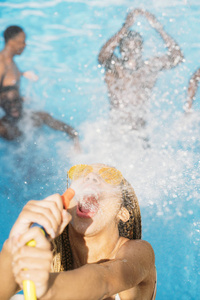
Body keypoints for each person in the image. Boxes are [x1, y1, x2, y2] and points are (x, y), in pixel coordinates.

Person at [0, 163, 156, 300]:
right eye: (83, 172)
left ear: (122, 213)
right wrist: (11, 251)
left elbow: (105, 280)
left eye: (109, 176)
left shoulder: (139, 253)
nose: (91, 177)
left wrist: (48, 287)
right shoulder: (48, 256)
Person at [98, 9, 184, 130]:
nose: (132, 51)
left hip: (139, 134)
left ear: (141, 49)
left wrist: (158, 28)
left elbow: (177, 58)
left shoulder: (148, 69)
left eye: (136, 46)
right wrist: (125, 27)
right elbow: (103, 56)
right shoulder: (115, 68)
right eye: (127, 46)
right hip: (116, 132)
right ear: (120, 50)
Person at [0, 25, 79, 148]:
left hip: (15, 115)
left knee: (43, 117)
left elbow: (6, 83)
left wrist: (22, 74)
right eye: (22, 41)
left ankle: (73, 134)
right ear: (11, 41)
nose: (25, 45)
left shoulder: (11, 63)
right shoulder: (1, 63)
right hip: (9, 120)